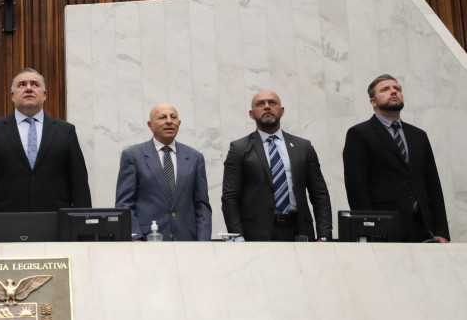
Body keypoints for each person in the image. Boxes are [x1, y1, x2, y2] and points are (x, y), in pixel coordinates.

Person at [0, 68, 91, 241]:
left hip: (56, 228)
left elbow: (79, 186)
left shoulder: (65, 131)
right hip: (6, 227)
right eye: (22, 85)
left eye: (35, 84)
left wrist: (83, 231)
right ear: (12, 95)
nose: (28, 88)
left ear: (44, 94)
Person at [343, 74, 450, 242]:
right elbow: (356, 188)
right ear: (373, 102)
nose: (393, 92)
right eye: (385, 89)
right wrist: (369, 230)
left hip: (424, 228)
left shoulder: (419, 135)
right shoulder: (359, 134)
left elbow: (433, 184)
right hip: (385, 228)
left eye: (397, 89)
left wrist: (442, 231)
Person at [222, 90, 332, 242]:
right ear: (251, 114)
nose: (267, 107)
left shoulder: (303, 147)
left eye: (272, 103)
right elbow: (230, 197)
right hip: (256, 234)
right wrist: (237, 236)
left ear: (282, 111)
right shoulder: (239, 149)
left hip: (300, 230)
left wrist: (324, 235)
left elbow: (319, 193)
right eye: (260, 104)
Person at [115, 103, 211, 241]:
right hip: (148, 241)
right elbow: (124, 205)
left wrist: (204, 242)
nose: (169, 121)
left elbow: (202, 205)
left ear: (179, 123)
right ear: (150, 125)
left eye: (173, 117)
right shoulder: (133, 156)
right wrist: (136, 238)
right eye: (162, 117)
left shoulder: (194, 157)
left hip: (187, 242)